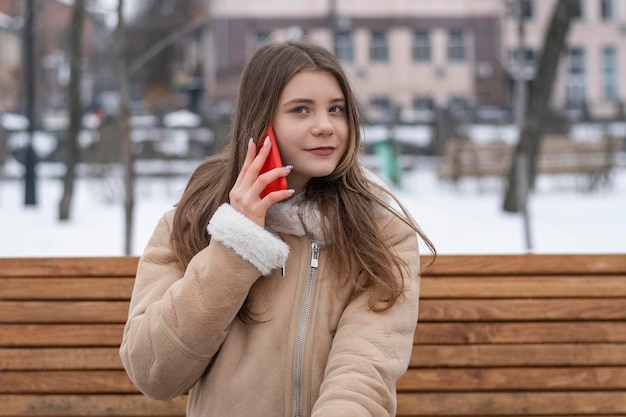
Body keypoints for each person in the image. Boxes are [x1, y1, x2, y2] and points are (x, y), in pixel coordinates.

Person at [119, 39, 435, 417]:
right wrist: (236, 243)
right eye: (301, 110)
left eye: (336, 109)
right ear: (261, 122)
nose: (325, 127)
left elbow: (364, 372)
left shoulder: (380, 231)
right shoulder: (190, 222)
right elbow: (155, 373)